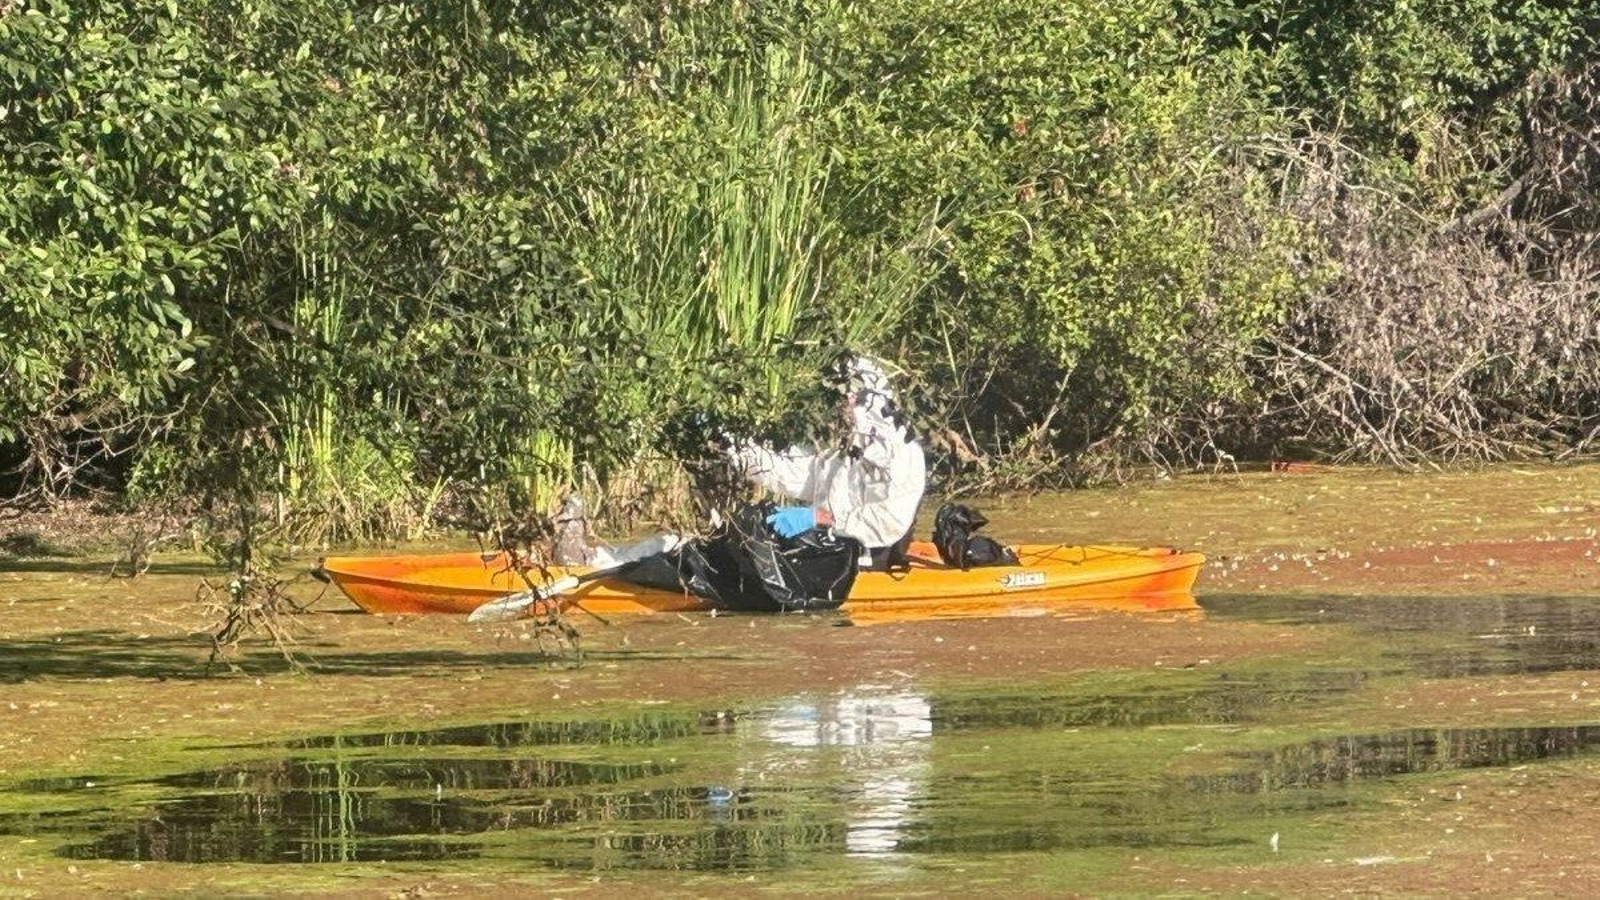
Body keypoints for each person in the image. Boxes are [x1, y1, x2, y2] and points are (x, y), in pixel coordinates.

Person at [723, 355, 926, 570]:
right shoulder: (840, 445)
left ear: (867, 398)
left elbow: (889, 521)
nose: (840, 405)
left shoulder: (903, 452)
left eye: (847, 397)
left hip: (869, 558)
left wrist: (820, 519)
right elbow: (787, 471)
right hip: (828, 547)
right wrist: (729, 445)